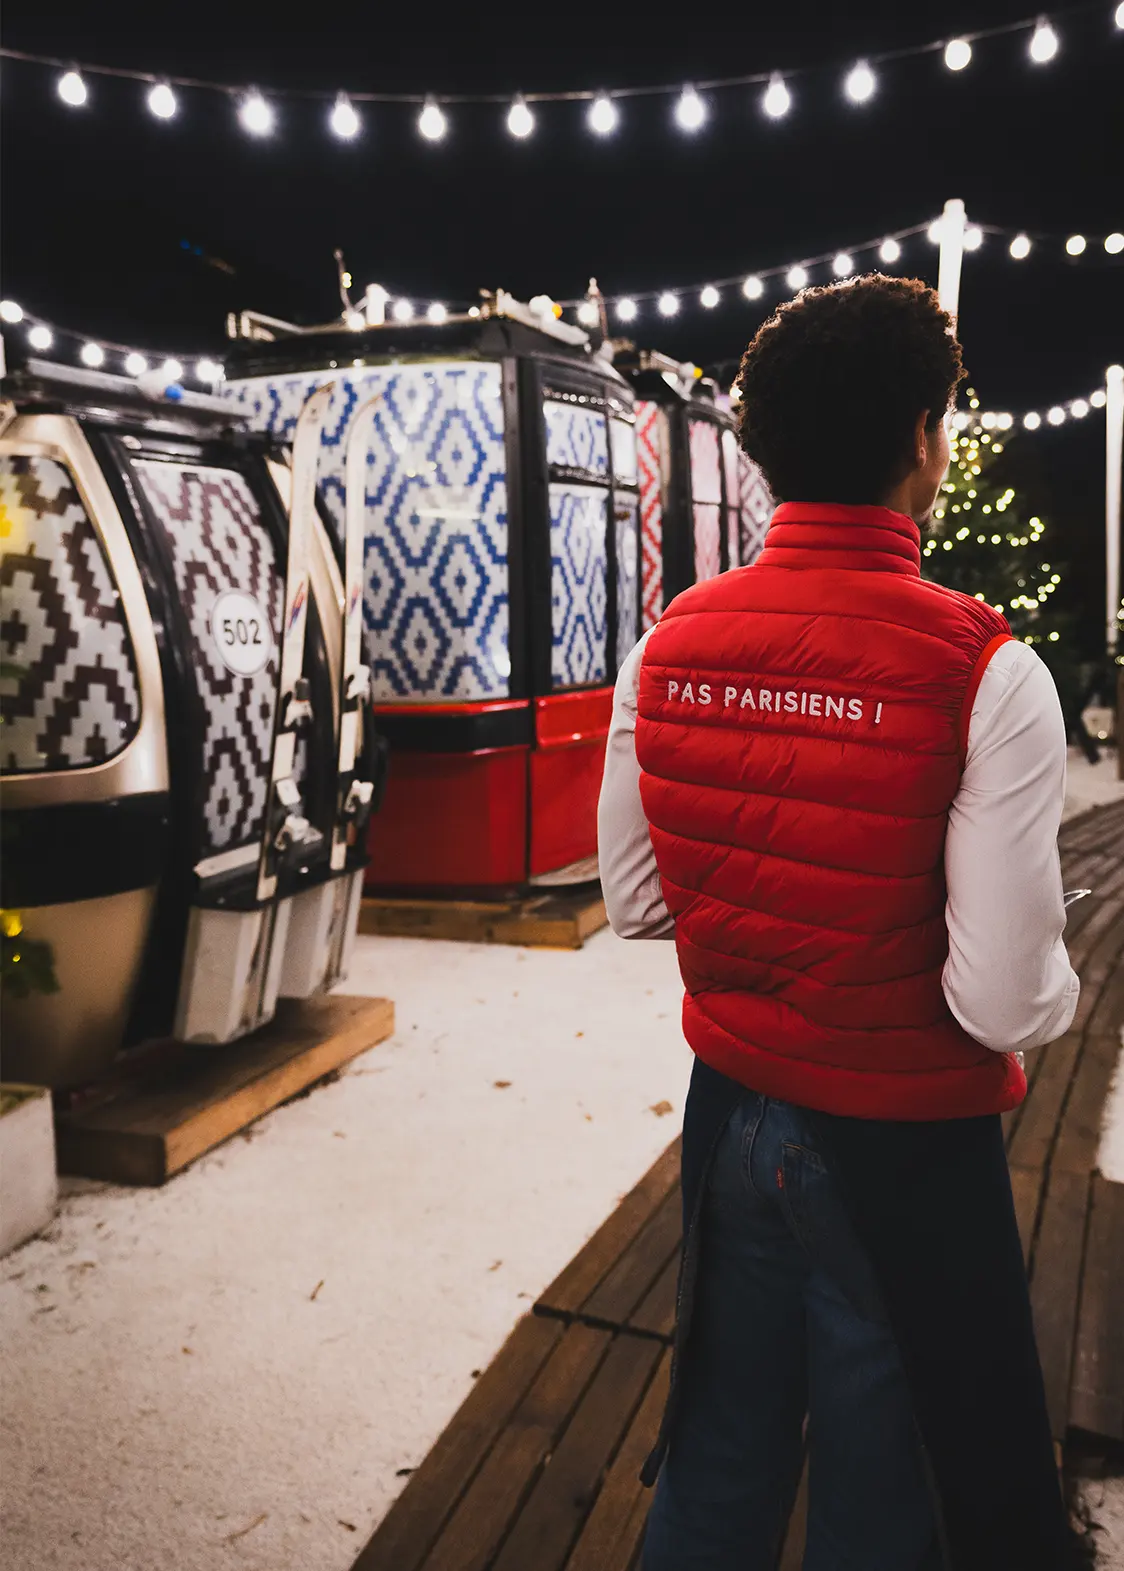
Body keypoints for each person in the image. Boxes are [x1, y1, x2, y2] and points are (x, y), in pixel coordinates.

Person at [598, 275, 1081, 1571]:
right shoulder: (987, 669)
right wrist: (1062, 982)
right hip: (906, 1150)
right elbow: (1000, 999)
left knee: (715, 1462)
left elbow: (635, 900)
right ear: (922, 435)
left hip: (728, 1113)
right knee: (886, 1492)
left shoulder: (666, 644)